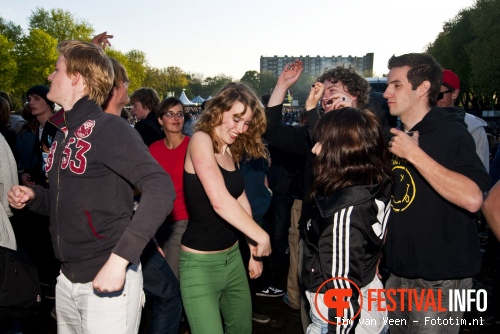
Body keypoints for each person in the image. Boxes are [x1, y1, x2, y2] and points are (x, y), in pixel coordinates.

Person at [7, 40, 176, 333]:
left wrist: (120, 259)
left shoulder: (110, 128)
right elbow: (65, 199)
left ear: (76, 77)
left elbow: (161, 187)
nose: (49, 76)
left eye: (56, 69)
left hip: (107, 278)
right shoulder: (63, 132)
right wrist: (35, 196)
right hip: (67, 277)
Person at [383, 53, 490, 334]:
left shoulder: (453, 133)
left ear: (423, 88)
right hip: (398, 273)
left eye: (396, 85)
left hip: (439, 279)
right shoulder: (397, 134)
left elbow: (472, 198)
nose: (386, 93)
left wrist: (415, 155)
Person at [180, 82, 272, 334]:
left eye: (246, 123)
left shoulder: (230, 149)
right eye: (236, 119)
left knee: (242, 330)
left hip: (232, 260)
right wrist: (262, 236)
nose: (241, 129)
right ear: (219, 110)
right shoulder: (200, 139)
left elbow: (241, 200)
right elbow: (219, 200)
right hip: (200, 266)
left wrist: (252, 250)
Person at [304, 107, 392, 334]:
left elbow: (342, 294)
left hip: (339, 316)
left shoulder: (343, 216)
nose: (314, 149)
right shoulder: (376, 180)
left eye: (322, 142)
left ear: (343, 150)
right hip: (369, 292)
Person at [149, 97, 189, 278]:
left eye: (179, 114)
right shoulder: (154, 149)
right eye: (170, 114)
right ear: (160, 119)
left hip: (184, 219)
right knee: (157, 272)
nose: (176, 118)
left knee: (172, 275)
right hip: (158, 220)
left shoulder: (193, 146)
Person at [436, 69, 489, 171]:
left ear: (455, 93)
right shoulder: (421, 123)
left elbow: (482, 174)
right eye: (430, 95)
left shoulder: (474, 128)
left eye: (439, 95)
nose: (434, 100)